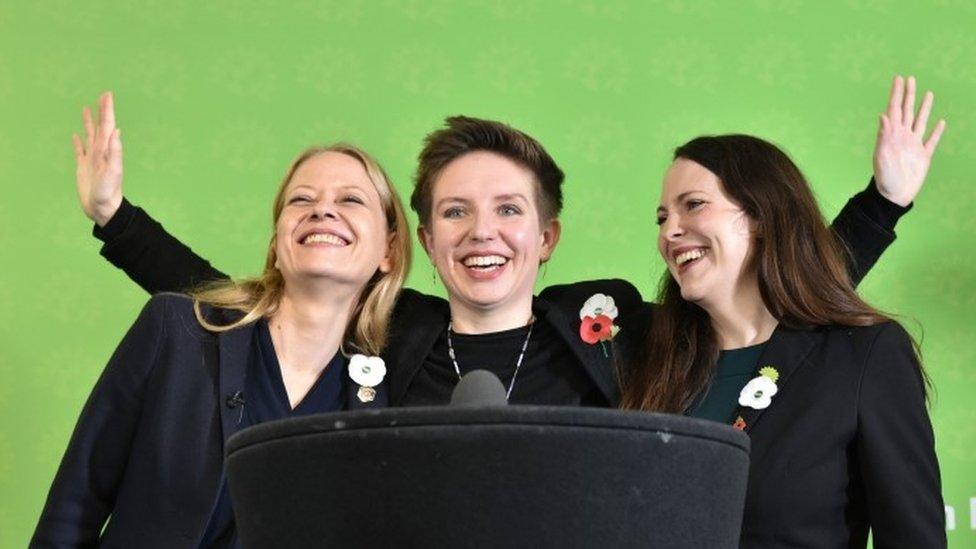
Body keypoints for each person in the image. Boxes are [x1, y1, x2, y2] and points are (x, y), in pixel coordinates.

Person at [73, 84, 910, 409]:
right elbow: (246, 301)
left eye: (509, 210)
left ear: (546, 236)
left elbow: (760, 293)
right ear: (426, 239)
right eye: (456, 213)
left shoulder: (611, 321)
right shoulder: (385, 330)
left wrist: (881, 206)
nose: (483, 233)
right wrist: (117, 220)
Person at [31, 93, 412, 547]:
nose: (322, 209)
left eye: (351, 199)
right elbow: (75, 503)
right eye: (301, 199)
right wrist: (112, 216)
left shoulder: (388, 394)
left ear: (389, 250)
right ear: (276, 244)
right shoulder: (177, 333)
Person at [622, 76, 945, 547]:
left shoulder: (863, 355)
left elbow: (913, 537)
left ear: (762, 216)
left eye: (693, 205)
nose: (670, 231)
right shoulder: (648, 352)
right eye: (662, 218)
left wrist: (883, 203)